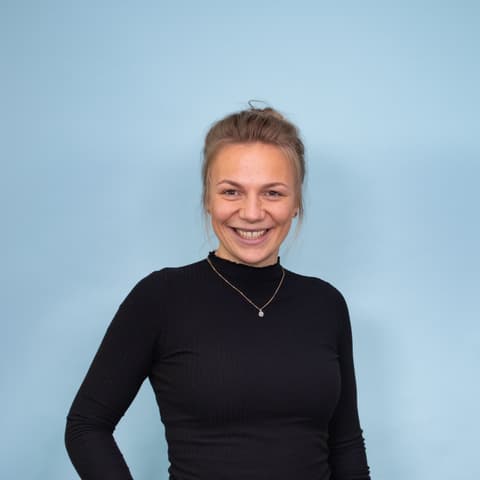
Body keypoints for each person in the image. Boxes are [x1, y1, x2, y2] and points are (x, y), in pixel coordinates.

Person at [65, 105, 371, 479]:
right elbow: (86, 426)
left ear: (295, 204)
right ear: (208, 199)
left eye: (273, 193)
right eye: (231, 192)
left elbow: (346, 445)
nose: (252, 212)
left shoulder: (326, 304)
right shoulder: (161, 298)